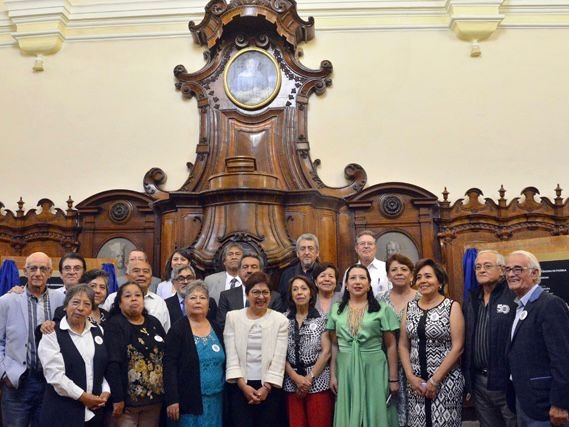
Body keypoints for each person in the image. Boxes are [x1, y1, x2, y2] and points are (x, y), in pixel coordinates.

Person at [327, 264, 399, 427]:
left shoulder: (382, 309)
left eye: (362, 278)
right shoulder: (336, 310)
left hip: (374, 366)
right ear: (346, 285)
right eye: (352, 278)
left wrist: (393, 379)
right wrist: (333, 374)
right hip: (345, 368)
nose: (357, 282)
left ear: (369, 284)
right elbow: (334, 345)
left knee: (375, 409)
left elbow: (391, 345)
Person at [0, 252, 65, 427]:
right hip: (18, 381)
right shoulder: (7, 301)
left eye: (43, 269)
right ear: (25, 271)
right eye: (33, 268)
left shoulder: (61, 299)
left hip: (49, 382)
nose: (37, 273)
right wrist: (4, 373)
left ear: (50, 273)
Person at [506, 250, 569, 427]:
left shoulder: (550, 304)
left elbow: (563, 358)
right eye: (508, 269)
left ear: (534, 273)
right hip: (524, 400)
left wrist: (560, 403)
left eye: (518, 269)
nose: (511, 274)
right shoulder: (518, 306)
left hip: (546, 405)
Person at [399, 258, 465, 427]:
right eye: (419, 277)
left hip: (445, 382)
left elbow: (458, 347)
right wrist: (410, 377)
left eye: (428, 276)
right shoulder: (410, 307)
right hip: (416, 384)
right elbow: (403, 344)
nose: (422, 281)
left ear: (440, 281)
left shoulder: (452, 306)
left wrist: (434, 381)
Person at [37, 285, 110, 427]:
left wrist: (106, 391)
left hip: (93, 412)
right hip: (61, 412)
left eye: (87, 304)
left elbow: (101, 367)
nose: (81, 308)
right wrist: (83, 397)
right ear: (65, 306)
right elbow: (55, 376)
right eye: (75, 302)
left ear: (91, 310)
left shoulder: (98, 330)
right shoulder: (51, 333)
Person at [224, 271, 288, 427]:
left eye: (265, 292)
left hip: (269, 387)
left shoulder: (280, 320)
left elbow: (279, 358)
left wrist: (266, 388)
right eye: (256, 292)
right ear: (247, 295)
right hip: (240, 385)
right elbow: (231, 356)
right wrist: (243, 386)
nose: (261, 297)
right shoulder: (233, 317)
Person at [463, 250, 516, 427]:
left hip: (507, 381)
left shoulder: (513, 296)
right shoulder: (471, 298)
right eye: (477, 267)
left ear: (502, 270)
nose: (481, 270)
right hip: (478, 382)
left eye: (487, 266)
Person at [164, 280, 225, 427]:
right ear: (185, 302)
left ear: (209, 304)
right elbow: (169, 366)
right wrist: (172, 399)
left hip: (216, 399)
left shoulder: (216, 328)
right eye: (193, 297)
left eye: (202, 298)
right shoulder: (178, 330)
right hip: (188, 401)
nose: (198, 301)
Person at [104, 282, 167, 426]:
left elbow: (166, 356)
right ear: (119, 303)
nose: (134, 299)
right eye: (128, 296)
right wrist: (117, 398)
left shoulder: (154, 323)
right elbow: (112, 364)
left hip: (154, 401)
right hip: (127, 404)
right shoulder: (114, 325)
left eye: (138, 295)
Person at [284, 276, 333, 427]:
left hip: (317, 382)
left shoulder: (322, 318)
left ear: (311, 293)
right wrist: (296, 378)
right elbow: (279, 354)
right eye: (295, 289)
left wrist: (309, 379)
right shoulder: (283, 320)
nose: (300, 292)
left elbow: (327, 352)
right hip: (292, 383)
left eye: (304, 288)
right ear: (291, 294)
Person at [379, 253, 420, 427]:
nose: (399, 273)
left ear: (411, 274)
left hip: (416, 362)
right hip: (388, 364)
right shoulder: (379, 300)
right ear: (388, 275)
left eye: (404, 269)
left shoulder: (421, 297)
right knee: (393, 411)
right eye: (394, 270)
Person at [217, 253, 284, 330]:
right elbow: (222, 325)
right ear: (238, 272)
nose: (249, 270)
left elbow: (276, 324)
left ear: (261, 271)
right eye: (245, 267)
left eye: (254, 267)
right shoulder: (226, 296)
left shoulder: (274, 297)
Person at [102, 260, 171, 332]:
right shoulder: (112, 298)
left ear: (151, 278)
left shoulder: (159, 302)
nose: (141, 274)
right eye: (136, 271)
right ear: (127, 276)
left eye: (146, 271)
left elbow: (166, 332)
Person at [341, 230, 390, 299]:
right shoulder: (349, 271)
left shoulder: (386, 268)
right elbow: (344, 297)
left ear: (375, 248)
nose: (366, 246)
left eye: (370, 244)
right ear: (356, 248)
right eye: (362, 243)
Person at [278, 234, 320, 302]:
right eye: (303, 249)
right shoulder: (287, 274)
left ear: (317, 252)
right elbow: (282, 301)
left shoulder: (324, 274)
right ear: (297, 253)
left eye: (310, 248)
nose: (306, 252)